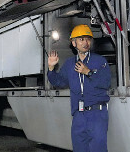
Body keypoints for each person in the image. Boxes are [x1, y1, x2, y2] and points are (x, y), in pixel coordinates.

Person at [47, 24, 111, 152]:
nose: (85, 42)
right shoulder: (70, 64)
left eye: (88, 39)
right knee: (79, 148)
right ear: (74, 43)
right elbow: (58, 82)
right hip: (78, 115)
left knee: (98, 148)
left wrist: (88, 72)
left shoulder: (100, 61)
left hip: (97, 113)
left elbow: (106, 82)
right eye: (81, 39)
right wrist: (51, 68)